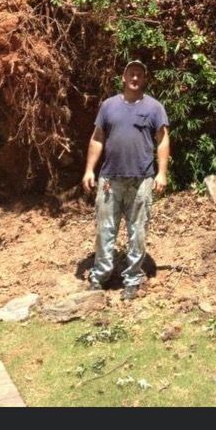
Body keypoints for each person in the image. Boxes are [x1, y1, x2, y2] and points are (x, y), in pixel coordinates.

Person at [82, 60, 170, 300]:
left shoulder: (154, 107)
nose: (134, 78)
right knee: (105, 230)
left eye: (139, 75)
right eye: (131, 73)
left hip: (141, 180)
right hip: (110, 178)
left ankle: (132, 279)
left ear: (144, 79)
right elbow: (97, 138)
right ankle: (101, 276)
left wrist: (162, 173)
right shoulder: (108, 106)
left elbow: (162, 140)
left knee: (138, 231)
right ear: (123, 77)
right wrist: (89, 169)